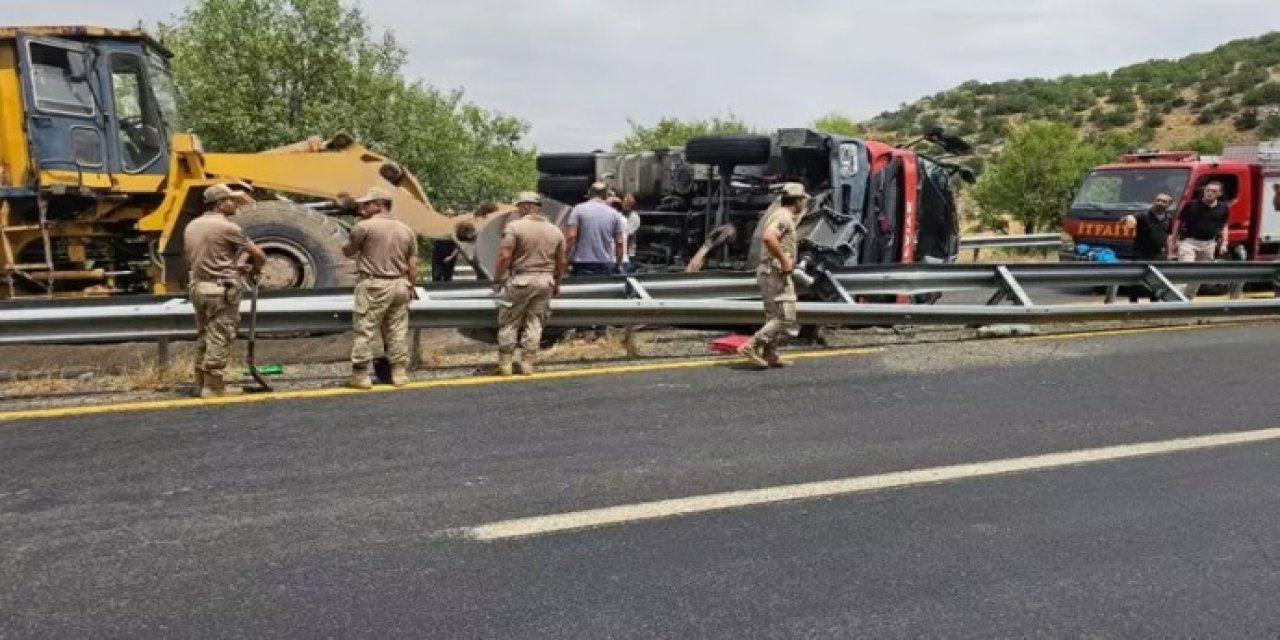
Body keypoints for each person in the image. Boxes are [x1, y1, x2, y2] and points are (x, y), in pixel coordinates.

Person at [183, 183, 266, 398]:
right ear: (220, 203)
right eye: (231, 200)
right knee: (220, 335)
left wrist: (232, 267)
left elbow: (203, 257)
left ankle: (199, 382)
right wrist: (256, 268)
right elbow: (260, 255)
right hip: (220, 290)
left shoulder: (192, 225)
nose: (235, 203)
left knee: (203, 334)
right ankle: (214, 386)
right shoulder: (228, 228)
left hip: (199, 286)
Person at [344, 187, 418, 389]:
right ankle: (399, 373)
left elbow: (348, 251)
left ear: (379, 204)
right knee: (397, 329)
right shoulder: (406, 229)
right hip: (400, 284)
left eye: (366, 204)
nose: (362, 207)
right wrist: (411, 284)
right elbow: (412, 263)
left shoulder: (364, 227)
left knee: (365, 329)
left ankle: (360, 375)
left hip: (374, 283)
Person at [491, 191, 566, 376]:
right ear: (538, 208)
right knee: (535, 322)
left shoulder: (514, 227)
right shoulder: (555, 230)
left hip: (521, 279)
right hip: (545, 281)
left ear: (525, 206)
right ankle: (527, 363)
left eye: (519, 206)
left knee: (510, 321)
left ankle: (506, 364)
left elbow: (504, 256)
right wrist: (557, 282)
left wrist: (497, 279)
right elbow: (562, 261)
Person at [738, 183, 808, 370]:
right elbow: (769, 237)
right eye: (803, 200)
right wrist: (784, 259)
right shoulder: (783, 216)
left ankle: (770, 354)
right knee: (786, 316)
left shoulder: (781, 214)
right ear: (798, 200)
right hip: (775, 272)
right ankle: (751, 346)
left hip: (770, 271)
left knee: (774, 316)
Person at [1173, 181, 1229, 298]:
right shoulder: (1192, 205)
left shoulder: (1223, 208)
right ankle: (1176, 298)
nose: (1209, 193)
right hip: (1189, 242)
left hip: (1209, 243)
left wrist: (1224, 243)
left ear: (1219, 194)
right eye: (1207, 191)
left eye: (1213, 191)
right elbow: (1178, 222)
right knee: (1186, 270)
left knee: (1200, 273)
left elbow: (1224, 226)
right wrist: (1174, 241)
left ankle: (1188, 299)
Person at [1121, 192, 1175, 303]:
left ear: (1169, 204)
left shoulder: (1169, 218)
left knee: (1157, 282)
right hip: (1141, 254)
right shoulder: (1143, 215)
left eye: (1163, 201)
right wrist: (1127, 218)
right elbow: (1124, 221)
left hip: (1158, 255)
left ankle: (1154, 303)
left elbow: (1169, 237)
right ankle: (1133, 304)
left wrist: (1169, 254)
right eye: (1158, 200)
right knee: (1136, 280)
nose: (1160, 203)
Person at [565, 181, 624, 275]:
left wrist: (564, 260)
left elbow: (571, 236)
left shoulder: (578, 209)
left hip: (582, 263)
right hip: (605, 263)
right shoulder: (615, 214)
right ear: (606, 195)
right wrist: (618, 264)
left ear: (589, 193)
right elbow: (620, 242)